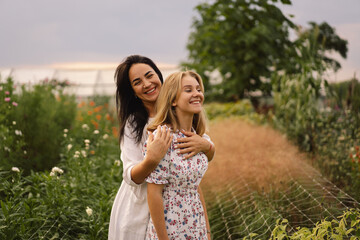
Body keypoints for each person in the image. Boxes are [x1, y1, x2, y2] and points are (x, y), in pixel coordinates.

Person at [108, 55, 215, 240]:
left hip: (181, 214)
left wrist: (206, 145)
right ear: (132, 91)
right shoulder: (135, 125)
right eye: (137, 82)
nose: (147, 83)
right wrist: (152, 159)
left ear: (159, 76)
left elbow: (202, 155)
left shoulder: (182, 112)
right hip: (140, 206)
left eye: (150, 75)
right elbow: (131, 176)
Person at [144, 70, 213, 240]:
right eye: (188, 90)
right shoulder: (163, 138)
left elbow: (195, 187)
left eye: (198, 89)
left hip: (196, 225)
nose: (197, 94)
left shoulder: (198, 137)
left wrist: (207, 231)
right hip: (171, 228)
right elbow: (154, 193)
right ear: (173, 100)